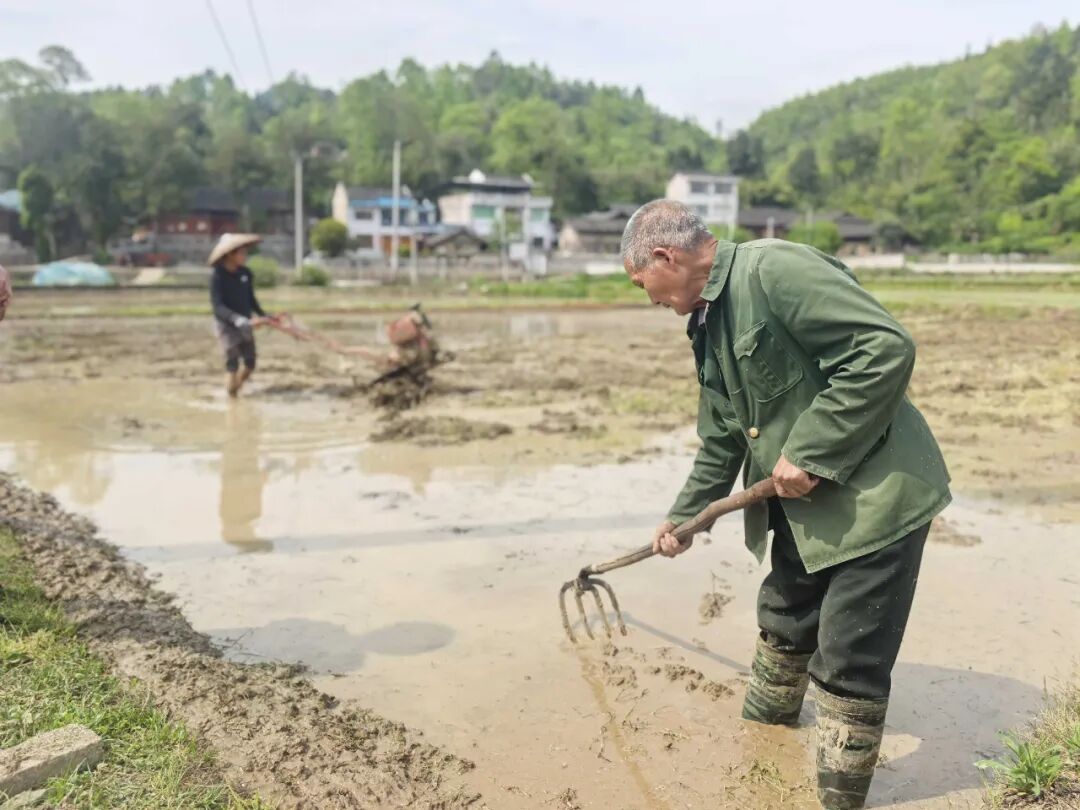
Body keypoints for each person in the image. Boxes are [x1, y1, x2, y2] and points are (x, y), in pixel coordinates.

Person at [620, 200, 950, 810]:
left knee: (848, 657)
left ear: (665, 257)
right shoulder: (708, 323)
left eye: (644, 285)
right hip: (797, 508)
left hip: (875, 501)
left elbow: (884, 349)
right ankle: (762, 747)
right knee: (783, 620)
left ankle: (837, 798)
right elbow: (722, 436)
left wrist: (813, 449)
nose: (651, 301)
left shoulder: (775, 270)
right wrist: (684, 517)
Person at [207, 233, 283, 397]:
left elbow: (251, 300)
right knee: (232, 363)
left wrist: (265, 316)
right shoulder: (217, 276)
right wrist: (236, 319)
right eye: (241, 253)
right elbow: (217, 306)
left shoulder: (245, 273)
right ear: (229, 254)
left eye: (245, 253)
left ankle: (235, 389)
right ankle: (231, 398)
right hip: (227, 325)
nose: (244, 256)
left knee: (250, 363)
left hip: (246, 322)